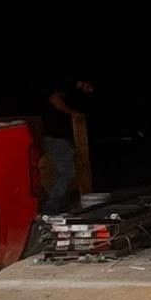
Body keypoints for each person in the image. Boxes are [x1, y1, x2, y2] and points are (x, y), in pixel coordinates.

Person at [40, 76, 94, 213]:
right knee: (67, 172)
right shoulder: (67, 86)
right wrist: (73, 113)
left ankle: (59, 205)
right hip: (56, 138)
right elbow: (55, 100)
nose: (90, 91)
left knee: (63, 172)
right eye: (89, 87)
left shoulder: (74, 94)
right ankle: (51, 206)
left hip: (61, 138)